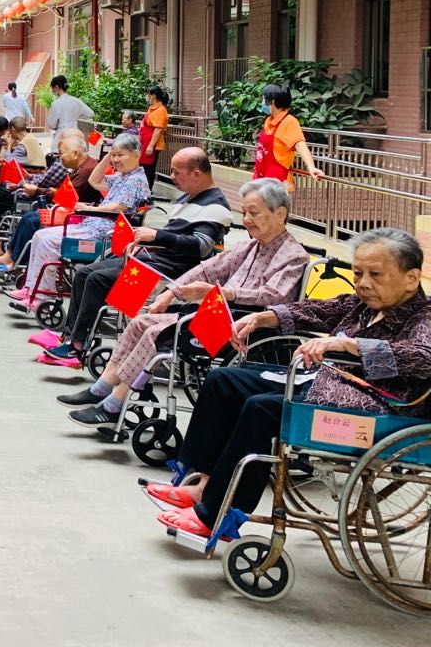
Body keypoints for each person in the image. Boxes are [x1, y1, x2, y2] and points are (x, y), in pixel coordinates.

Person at [148, 227, 431, 539]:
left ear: (411, 278)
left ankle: (218, 514)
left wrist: (349, 346)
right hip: (326, 390)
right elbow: (318, 309)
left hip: (379, 418)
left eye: (375, 274)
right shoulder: (363, 305)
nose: (363, 284)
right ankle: (203, 483)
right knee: (222, 380)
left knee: (262, 409)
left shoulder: (424, 318)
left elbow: (422, 357)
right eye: (358, 273)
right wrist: (262, 318)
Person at [60, 178, 308, 427]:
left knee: (156, 332)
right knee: (141, 321)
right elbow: (207, 269)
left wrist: (223, 292)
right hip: (213, 311)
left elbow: (273, 296)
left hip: (241, 324)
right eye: (244, 213)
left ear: (280, 214)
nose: (246, 220)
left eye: (253, 213)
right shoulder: (249, 246)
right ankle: (103, 387)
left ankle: (114, 404)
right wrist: (171, 293)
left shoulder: (293, 255)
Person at [44, 147, 234, 363]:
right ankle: (71, 339)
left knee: (97, 280)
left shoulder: (215, 206)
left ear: (196, 174)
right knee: (84, 273)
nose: (171, 177)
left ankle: (78, 346)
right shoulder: (188, 197)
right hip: (151, 261)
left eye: (175, 172)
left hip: (169, 273)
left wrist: (156, 236)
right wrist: (144, 241)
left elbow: (201, 246)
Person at [6, 133, 151, 300]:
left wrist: (88, 208)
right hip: (93, 225)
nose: (116, 160)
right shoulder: (122, 178)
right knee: (39, 235)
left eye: (121, 155)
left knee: (46, 239)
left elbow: (118, 207)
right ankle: (32, 288)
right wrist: (108, 156)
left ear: (137, 154)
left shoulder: (136, 180)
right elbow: (94, 181)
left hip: (104, 232)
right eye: (115, 155)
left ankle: (40, 295)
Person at [0, 128, 102, 269]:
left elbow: (67, 197)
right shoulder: (80, 167)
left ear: (75, 154)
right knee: (29, 217)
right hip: (65, 208)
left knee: (32, 221)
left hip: (75, 214)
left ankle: (15, 263)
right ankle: (8, 257)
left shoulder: (86, 169)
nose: (59, 157)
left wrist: (38, 190)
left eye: (62, 153)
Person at [253, 83, 326, 186]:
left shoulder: (289, 122)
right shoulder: (269, 121)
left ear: (272, 101)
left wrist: (311, 167)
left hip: (277, 185)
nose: (262, 102)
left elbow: (300, 144)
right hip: (260, 181)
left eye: (264, 99)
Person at [140, 85, 171, 189]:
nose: (147, 96)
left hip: (152, 144)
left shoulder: (160, 110)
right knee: (143, 167)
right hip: (145, 142)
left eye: (149, 94)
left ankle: (147, 191)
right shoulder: (152, 108)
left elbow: (158, 129)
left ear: (153, 95)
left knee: (149, 168)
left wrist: (150, 145)